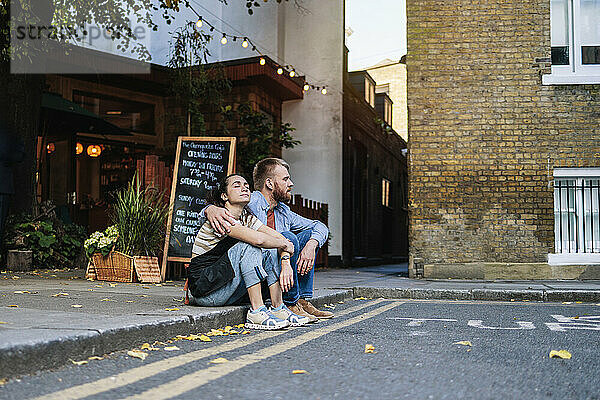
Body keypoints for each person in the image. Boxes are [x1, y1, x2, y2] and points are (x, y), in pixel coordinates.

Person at [203, 158, 333, 322]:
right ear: (269, 184)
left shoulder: (283, 211)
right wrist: (209, 209)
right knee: (287, 237)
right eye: (285, 179)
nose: (291, 184)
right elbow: (227, 205)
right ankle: (289, 303)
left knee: (307, 237)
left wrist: (311, 246)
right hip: (249, 274)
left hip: (273, 277)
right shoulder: (251, 200)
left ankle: (301, 301)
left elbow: (319, 226)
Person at [187, 173, 310, 330]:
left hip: (228, 287)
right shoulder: (221, 217)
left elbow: (276, 237)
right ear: (224, 196)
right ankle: (257, 311)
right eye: (237, 185)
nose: (244, 188)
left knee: (269, 245)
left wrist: (285, 259)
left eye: (246, 185)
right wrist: (285, 245)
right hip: (206, 291)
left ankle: (278, 308)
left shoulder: (247, 218)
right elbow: (259, 240)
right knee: (251, 245)